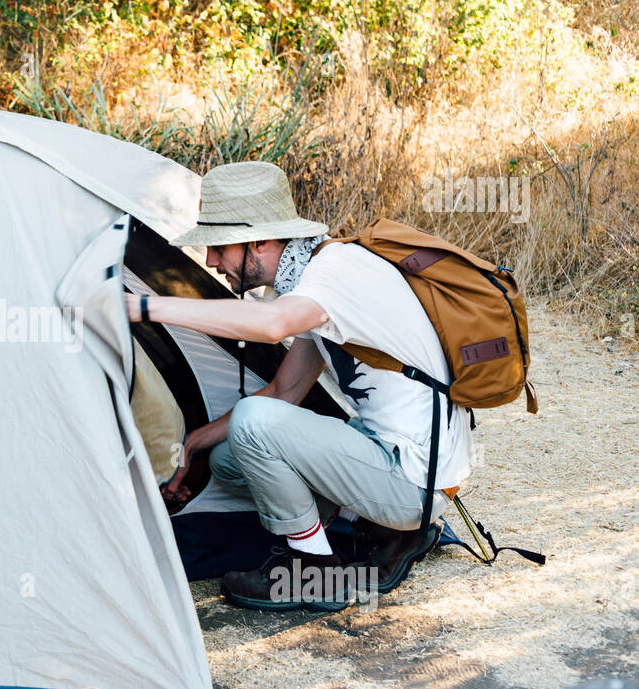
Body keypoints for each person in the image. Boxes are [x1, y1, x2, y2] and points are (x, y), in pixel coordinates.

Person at [125, 161, 474, 609]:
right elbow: (282, 393)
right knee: (229, 458)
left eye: (218, 247)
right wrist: (191, 445)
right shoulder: (315, 278)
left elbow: (271, 326)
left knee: (253, 424)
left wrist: (145, 308)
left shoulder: (335, 274)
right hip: (391, 460)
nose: (210, 262)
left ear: (261, 240)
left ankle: (312, 569)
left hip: (412, 482)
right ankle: (368, 527)